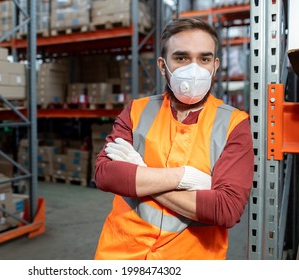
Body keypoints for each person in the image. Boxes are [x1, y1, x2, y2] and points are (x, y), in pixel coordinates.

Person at [93, 18, 254, 260]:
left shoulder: (234, 124)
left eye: (204, 59)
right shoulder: (137, 110)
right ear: (162, 65)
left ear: (215, 65)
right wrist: (184, 177)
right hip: (121, 254)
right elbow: (105, 174)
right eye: (181, 58)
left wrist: (140, 173)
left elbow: (226, 209)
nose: (194, 68)